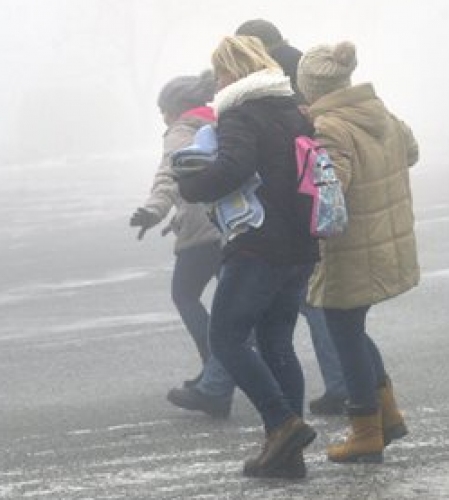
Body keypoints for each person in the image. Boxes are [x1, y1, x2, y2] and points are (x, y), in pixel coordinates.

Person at [176, 35, 318, 479]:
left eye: (220, 72)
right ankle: (287, 455)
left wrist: (192, 186)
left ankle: (282, 424)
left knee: (227, 339)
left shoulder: (239, 111)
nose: (217, 81)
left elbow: (234, 166)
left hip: (257, 243)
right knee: (276, 343)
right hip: (299, 244)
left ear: (233, 72)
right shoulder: (292, 111)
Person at [297, 41, 420, 463]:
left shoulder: (329, 125)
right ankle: (388, 415)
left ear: (310, 87)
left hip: (349, 249)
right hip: (384, 238)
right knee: (352, 328)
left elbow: (334, 187)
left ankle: (366, 430)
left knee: (343, 331)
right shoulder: (378, 112)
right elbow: (412, 151)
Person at [235, 18, 349, 415]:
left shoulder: (271, 77)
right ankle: (343, 383)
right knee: (308, 305)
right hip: (305, 211)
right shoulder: (299, 67)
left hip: (290, 213)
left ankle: (338, 386)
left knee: (304, 308)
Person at [129, 71, 235, 418]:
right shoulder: (220, 122)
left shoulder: (181, 131)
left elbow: (171, 174)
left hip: (201, 234)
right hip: (230, 225)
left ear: (176, 108)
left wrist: (153, 210)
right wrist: (177, 216)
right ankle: (216, 374)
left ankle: (213, 370)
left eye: (163, 109)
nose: (162, 117)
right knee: (233, 307)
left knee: (185, 295)